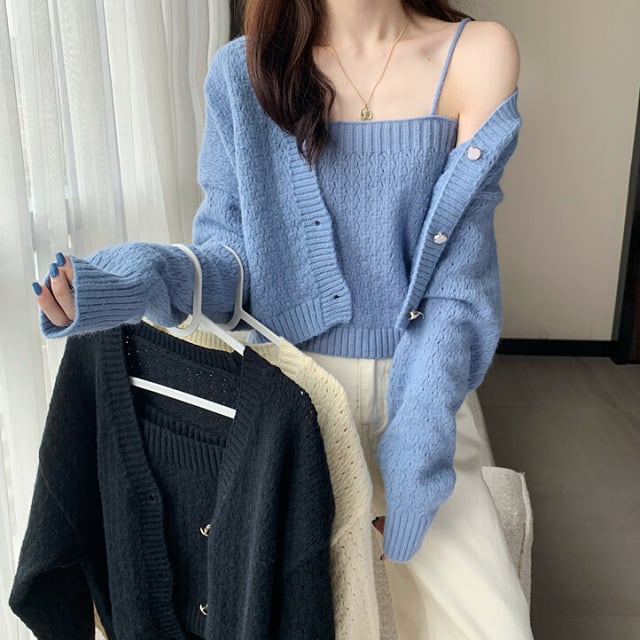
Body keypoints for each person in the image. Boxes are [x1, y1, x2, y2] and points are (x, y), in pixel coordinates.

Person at [32, 0, 534, 637]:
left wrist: (417, 449)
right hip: (289, 409)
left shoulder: (479, 54)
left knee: (490, 623)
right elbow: (231, 268)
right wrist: (140, 279)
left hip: (422, 396)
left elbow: (459, 284)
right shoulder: (242, 73)